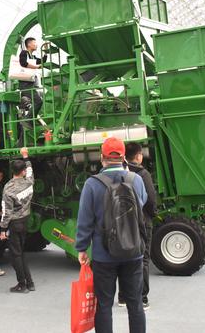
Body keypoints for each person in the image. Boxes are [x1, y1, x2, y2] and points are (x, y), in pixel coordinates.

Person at [75, 137, 147, 333]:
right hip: (133, 251)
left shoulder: (92, 184)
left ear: (102, 158)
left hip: (103, 254)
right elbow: (142, 204)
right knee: (135, 304)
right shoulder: (137, 180)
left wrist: (82, 248)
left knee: (104, 305)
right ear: (123, 157)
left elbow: (85, 219)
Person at [118, 142, 157, 310]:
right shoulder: (142, 174)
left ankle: (123, 297)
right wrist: (153, 214)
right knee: (143, 259)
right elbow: (150, 199)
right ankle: (142, 297)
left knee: (124, 258)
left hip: (122, 222)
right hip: (141, 222)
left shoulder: (118, 173)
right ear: (139, 155)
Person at [0, 147, 35, 293]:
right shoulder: (29, 182)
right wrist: (25, 156)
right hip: (25, 220)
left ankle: (22, 284)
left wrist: (2, 229)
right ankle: (30, 283)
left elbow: (7, 212)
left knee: (16, 255)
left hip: (14, 223)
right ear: (23, 172)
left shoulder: (8, 188)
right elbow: (31, 171)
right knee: (21, 252)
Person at [18, 37, 47, 119]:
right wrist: (35, 67)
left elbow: (42, 61)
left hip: (31, 84)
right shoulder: (24, 53)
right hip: (25, 84)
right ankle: (28, 119)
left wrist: (46, 52)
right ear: (29, 44)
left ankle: (29, 116)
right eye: (34, 43)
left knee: (39, 99)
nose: (36, 45)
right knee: (38, 101)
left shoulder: (33, 57)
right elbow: (23, 63)